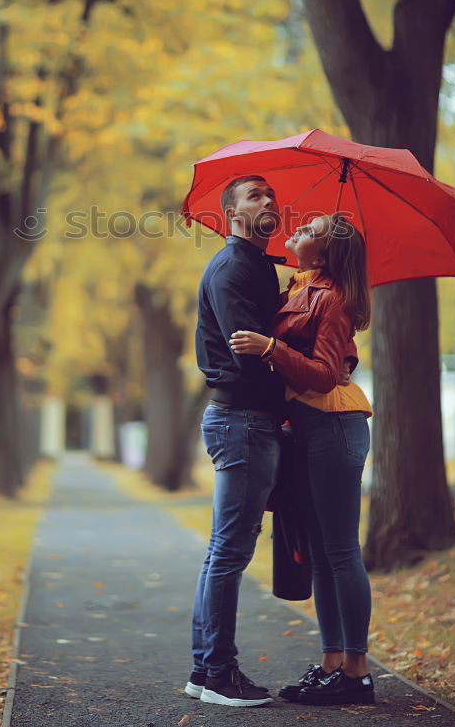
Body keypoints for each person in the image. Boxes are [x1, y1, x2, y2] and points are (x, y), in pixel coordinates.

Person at [230, 212, 375, 707]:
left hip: (334, 426)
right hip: (309, 429)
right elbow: (336, 353)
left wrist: (271, 347)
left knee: (340, 551)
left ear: (324, 251)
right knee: (318, 551)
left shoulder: (332, 296)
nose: (297, 229)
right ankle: (332, 663)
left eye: (309, 230)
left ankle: (357, 672)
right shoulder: (300, 285)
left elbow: (323, 373)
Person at [187, 174, 284, 707]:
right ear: (232, 213)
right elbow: (249, 355)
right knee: (228, 554)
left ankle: (206, 671)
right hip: (242, 421)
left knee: (222, 553)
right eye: (254, 195)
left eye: (271, 195)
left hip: (246, 421)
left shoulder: (259, 266)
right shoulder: (232, 268)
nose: (268, 201)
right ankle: (218, 675)